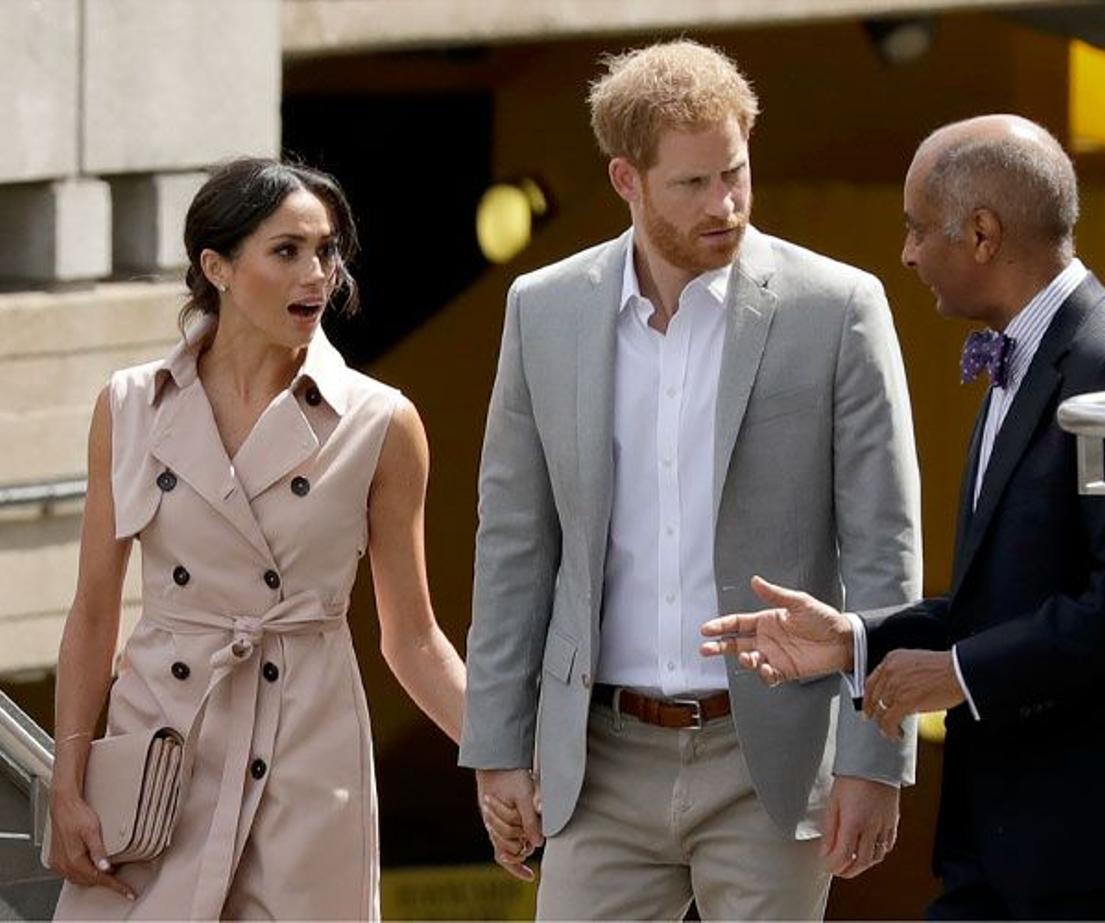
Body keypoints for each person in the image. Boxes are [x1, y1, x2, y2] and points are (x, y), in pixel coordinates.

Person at [460, 40, 922, 920]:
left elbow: (883, 547)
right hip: (598, 757)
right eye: (693, 184)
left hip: (771, 759)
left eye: (736, 172)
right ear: (626, 179)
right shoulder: (543, 310)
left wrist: (874, 755)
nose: (726, 204)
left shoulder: (837, 308)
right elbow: (514, 542)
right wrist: (497, 744)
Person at [702, 114, 1105, 920]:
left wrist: (962, 674)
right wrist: (856, 639)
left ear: (984, 233)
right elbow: (1009, 598)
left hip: (1088, 856)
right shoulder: (1028, 355)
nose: (907, 253)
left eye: (918, 228)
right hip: (1000, 849)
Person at [46, 158, 466, 920]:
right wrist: (67, 781)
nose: (319, 275)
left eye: (328, 251)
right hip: (162, 756)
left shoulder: (381, 422)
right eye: (287, 251)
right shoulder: (131, 405)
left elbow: (414, 638)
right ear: (219, 268)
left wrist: (513, 760)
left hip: (309, 754)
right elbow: (94, 610)